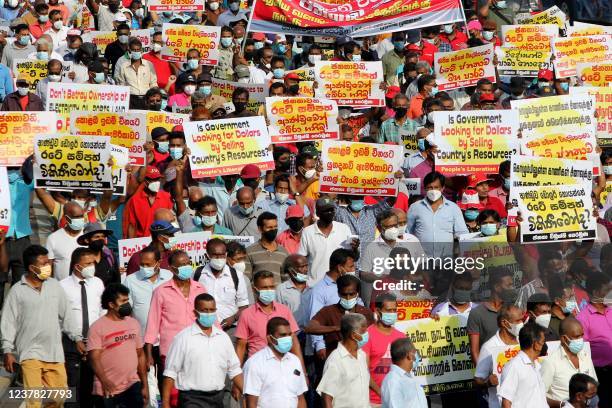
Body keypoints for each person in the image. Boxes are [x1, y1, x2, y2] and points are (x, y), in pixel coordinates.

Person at [1, 245, 81, 407]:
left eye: (49, 262)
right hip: (29, 353)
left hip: (54, 352)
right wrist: (7, 350)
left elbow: (67, 314)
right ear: (32, 267)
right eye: (44, 263)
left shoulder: (55, 286)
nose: (49, 266)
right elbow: (8, 321)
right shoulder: (17, 291)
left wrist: (77, 337)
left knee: (58, 397)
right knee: (34, 401)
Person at [163, 293, 244, 408]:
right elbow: (170, 373)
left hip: (217, 398)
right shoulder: (183, 338)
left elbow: (234, 369)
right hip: (192, 399)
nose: (208, 314)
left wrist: (247, 394)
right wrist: (165, 403)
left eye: (211, 310)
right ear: (195, 312)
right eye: (204, 310)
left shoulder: (223, 337)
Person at [144, 250, 207, 371]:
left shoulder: (200, 288)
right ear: (172, 269)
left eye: (188, 263)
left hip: (199, 349)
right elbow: (152, 324)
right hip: (172, 352)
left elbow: (210, 318)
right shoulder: (161, 291)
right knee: (172, 389)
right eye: (182, 265)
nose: (186, 267)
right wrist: (148, 354)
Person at [88, 283, 148, 407]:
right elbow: (94, 358)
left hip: (132, 385)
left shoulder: (133, 323)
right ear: (111, 305)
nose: (127, 304)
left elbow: (140, 355)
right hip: (108, 388)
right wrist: (104, 381)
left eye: (128, 300)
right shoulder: (97, 327)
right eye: (123, 301)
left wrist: (145, 385)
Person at [60, 247, 104, 408]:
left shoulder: (98, 283)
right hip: (72, 343)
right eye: (88, 263)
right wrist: (76, 338)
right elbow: (61, 316)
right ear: (77, 266)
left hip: (95, 343)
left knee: (91, 386)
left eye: (93, 262)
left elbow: (102, 310)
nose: (92, 266)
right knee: (73, 386)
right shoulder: (62, 286)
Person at [235, 270, 304, 366]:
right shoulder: (246, 314)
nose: (269, 290)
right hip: (258, 366)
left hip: (283, 364)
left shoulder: (284, 311)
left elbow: (294, 343)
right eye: (264, 288)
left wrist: (302, 371)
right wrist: (237, 374)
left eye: (271, 287)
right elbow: (241, 346)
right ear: (255, 290)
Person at [243, 317, 308, 408]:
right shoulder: (255, 363)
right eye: (283, 335)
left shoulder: (295, 361)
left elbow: (300, 398)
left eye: (289, 334)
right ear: (270, 338)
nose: (288, 338)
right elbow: (251, 402)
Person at [306, 274, 374, 356]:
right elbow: (310, 327)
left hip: (360, 359)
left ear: (357, 294)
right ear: (338, 293)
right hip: (336, 361)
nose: (348, 298)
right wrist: (337, 328)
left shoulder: (366, 312)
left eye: (351, 294)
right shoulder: (328, 311)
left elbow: (374, 336)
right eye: (344, 294)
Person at [407, 171, 468, 258]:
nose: (433, 190)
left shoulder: (453, 208)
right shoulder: (415, 207)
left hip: (446, 260)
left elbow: (463, 234)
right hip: (422, 260)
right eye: (430, 187)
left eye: (436, 187)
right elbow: (408, 233)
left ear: (442, 188)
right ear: (425, 188)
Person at [195, 238, 249, 334]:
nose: (219, 258)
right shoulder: (197, 274)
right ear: (207, 256)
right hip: (203, 328)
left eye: (222, 255)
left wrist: (232, 319)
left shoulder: (236, 275)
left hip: (231, 329)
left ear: (226, 254)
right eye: (215, 255)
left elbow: (244, 305)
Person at [317, 313, 370, 408]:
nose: (367, 334)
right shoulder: (336, 359)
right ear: (354, 335)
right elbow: (326, 397)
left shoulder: (361, 355)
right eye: (363, 331)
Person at [541, 317, 598, 407]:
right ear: (564, 338)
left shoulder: (585, 356)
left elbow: (594, 385)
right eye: (576, 336)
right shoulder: (550, 362)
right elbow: (539, 395)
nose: (580, 340)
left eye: (582, 335)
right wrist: (562, 405)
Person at [474, 304, 523, 408]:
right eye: (518, 321)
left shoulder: (523, 341)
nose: (521, 323)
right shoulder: (489, 347)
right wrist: (487, 383)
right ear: (505, 323)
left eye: (521, 320)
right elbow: (478, 380)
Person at [576, 272, 612, 407]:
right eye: (607, 290)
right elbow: (581, 351)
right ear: (596, 292)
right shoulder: (583, 318)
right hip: (603, 376)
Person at [298, 198, 354, 285]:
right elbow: (301, 259)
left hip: (340, 285)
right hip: (315, 285)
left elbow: (352, 256)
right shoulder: (307, 232)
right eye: (326, 210)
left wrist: (355, 248)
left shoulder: (344, 228)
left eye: (332, 210)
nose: (330, 213)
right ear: (318, 213)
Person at [363, 293, 405, 406]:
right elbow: (363, 371)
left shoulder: (401, 336)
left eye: (394, 310)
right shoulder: (367, 336)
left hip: (398, 400)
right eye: (388, 310)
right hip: (374, 401)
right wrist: (381, 393)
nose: (392, 314)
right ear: (377, 311)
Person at [467, 268, 517, 363]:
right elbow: (475, 351)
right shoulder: (477, 313)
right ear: (497, 287)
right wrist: (484, 375)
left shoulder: (513, 310)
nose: (512, 288)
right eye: (509, 285)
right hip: (491, 370)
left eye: (512, 285)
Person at [498, 322, 549, 408]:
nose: (544, 345)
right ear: (536, 344)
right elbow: (506, 402)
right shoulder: (514, 366)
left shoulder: (535, 365)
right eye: (543, 341)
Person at [124, 166, 173, 238]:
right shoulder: (135, 200)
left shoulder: (167, 197)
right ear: (145, 181)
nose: (156, 182)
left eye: (158, 179)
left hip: (163, 240)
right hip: (143, 243)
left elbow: (172, 221)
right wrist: (131, 245)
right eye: (153, 179)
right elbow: (132, 226)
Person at [381, 337, 427, 408]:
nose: (417, 355)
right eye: (415, 352)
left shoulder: (409, 377)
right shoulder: (393, 381)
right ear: (410, 356)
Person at [114, 37, 158, 109]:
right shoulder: (124, 66)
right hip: (130, 99)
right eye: (134, 50)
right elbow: (121, 84)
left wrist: (155, 96)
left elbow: (153, 83)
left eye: (138, 50)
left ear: (141, 51)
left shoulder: (149, 65)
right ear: (129, 51)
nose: (136, 52)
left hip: (146, 98)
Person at [46, 201, 85, 281]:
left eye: (81, 216)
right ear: (67, 218)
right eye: (76, 217)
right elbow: (48, 268)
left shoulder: (88, 235)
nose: (80, 219)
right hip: (61, 289)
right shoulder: (53, 238)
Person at [245, 212, 289, 282]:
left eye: (275, 227)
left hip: (278, 292)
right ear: (260, 229)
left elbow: (286, 280)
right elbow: (246, 279)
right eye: (269, 227)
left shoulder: (283, 252)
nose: (273, 230)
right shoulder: (250, 251)